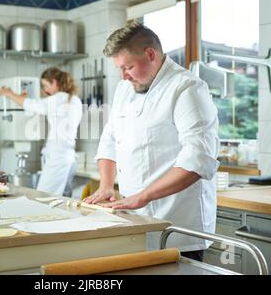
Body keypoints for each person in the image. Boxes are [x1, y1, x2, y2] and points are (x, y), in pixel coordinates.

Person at [84, 21, 220, 261]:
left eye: (128, 67)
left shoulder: (187, 88)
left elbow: (197, 161)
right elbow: (110, 139)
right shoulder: (125, 89)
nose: (124, 75)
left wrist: (143, 196)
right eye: (120, 68)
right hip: (134, 223)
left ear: (150, 54)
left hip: (177, 227)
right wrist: (106, 185)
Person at [0, 67, 83, 197]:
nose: (45, 90)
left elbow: (30, 104)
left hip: (57, 158)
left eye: (46, 85)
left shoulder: (58, 99)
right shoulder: (75, 100)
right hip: (69, 158)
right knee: (64, 200)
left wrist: (8, 93)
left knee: (42, 197)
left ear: (54, 82)